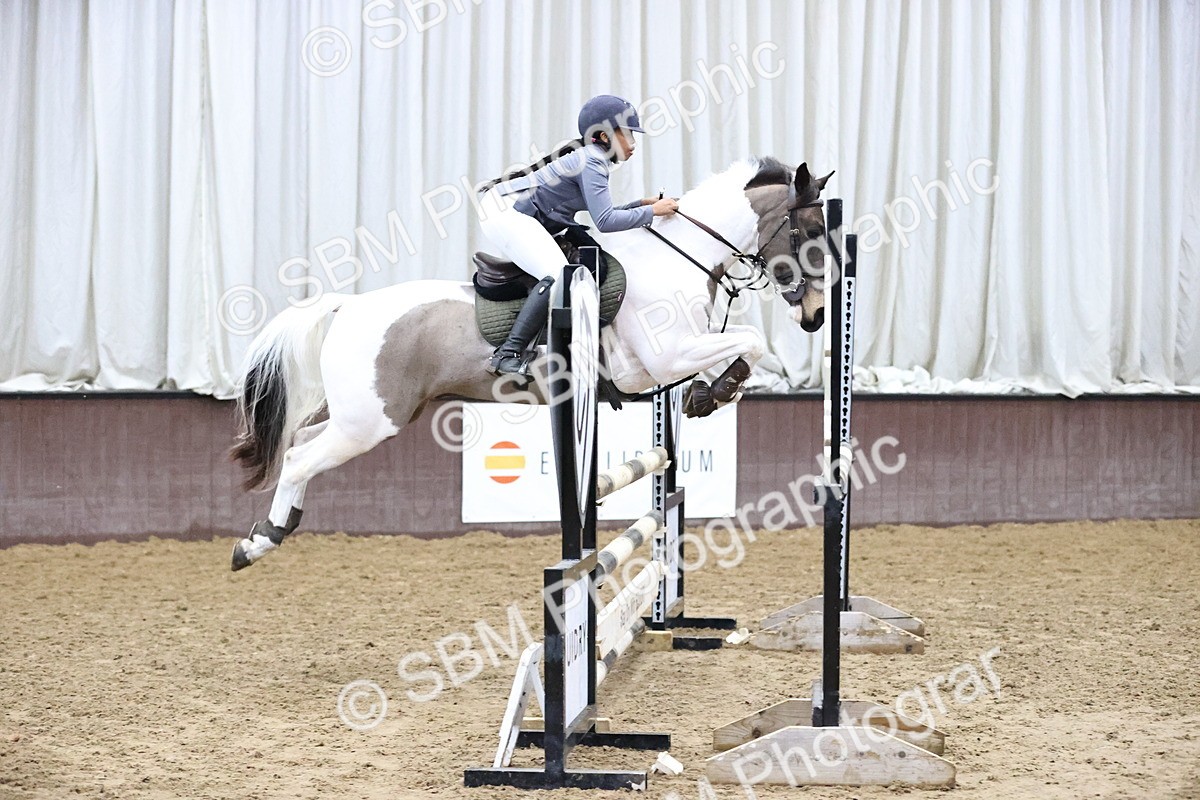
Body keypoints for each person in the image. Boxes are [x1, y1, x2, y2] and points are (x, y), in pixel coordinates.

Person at [477, 94, 679, 376]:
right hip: (505, 210)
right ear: (604, 135)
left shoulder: (592, 159)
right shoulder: (592, 162)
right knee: (558, 275)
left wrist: (641, 206)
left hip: (509, 208)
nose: (633, 143)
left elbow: (603, 214)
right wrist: (653, 212)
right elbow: (606, 222)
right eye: (628, 134)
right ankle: (508, 353)